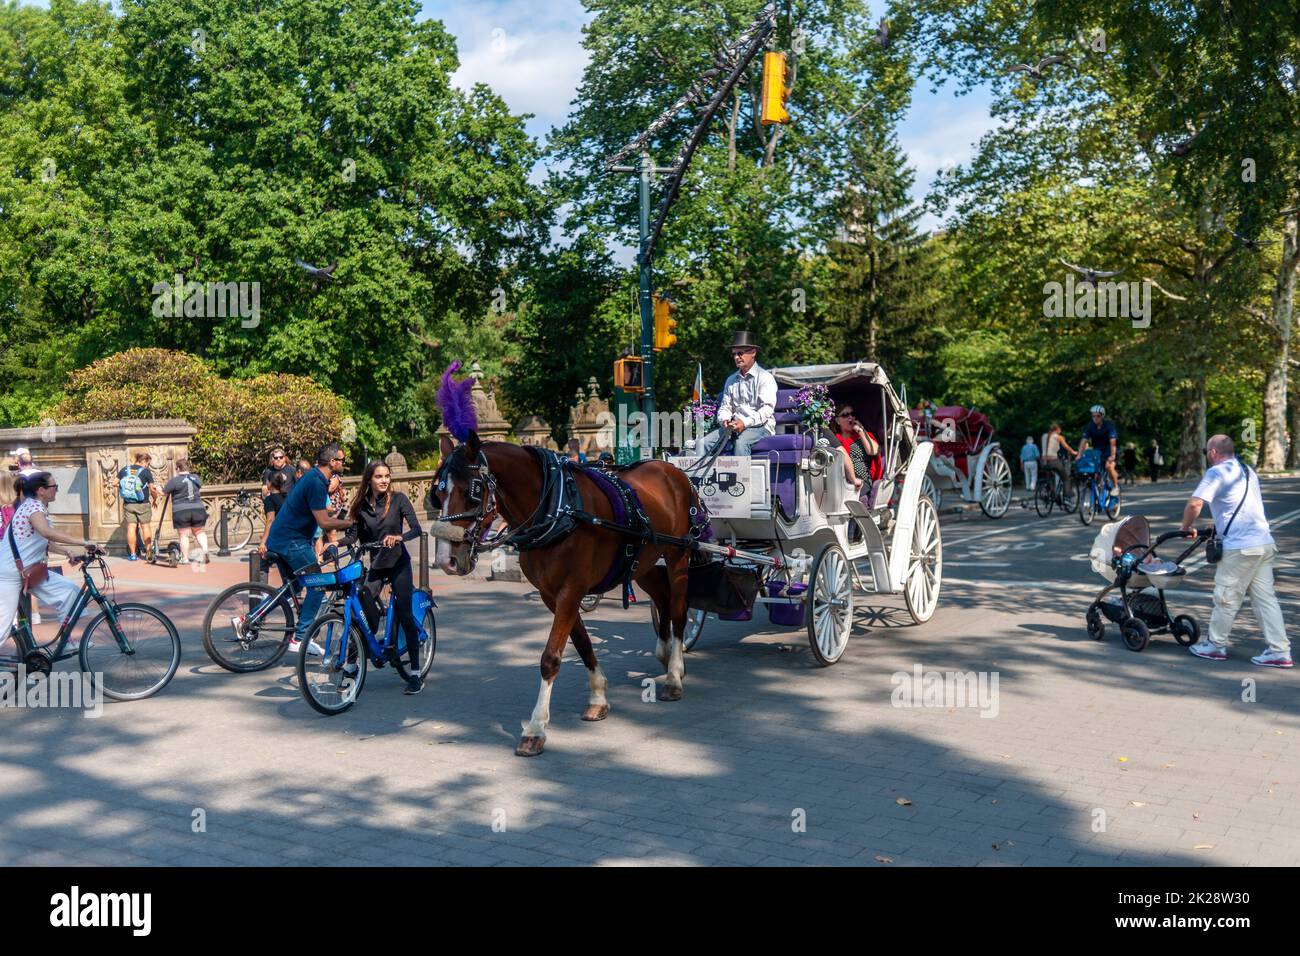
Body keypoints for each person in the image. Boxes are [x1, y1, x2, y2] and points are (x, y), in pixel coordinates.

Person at [1180, 435, 1290, 666]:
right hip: (1263, 543)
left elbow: (1195, 503)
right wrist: (1218, 525)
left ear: (1212, 453)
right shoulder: (1247, 470)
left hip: (1240, 547)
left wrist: (1186, 527)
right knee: (1265, 600)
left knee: (1226, 598)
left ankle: (1215, 645)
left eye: (1205, 452)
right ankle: (1280, 650)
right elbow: (1240, 506)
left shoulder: (1216, 473)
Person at [341, 460, 424, 693]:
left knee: (406, 615)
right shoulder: (361, 506)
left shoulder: (398, 500)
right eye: (379, 476)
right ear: (369, 480)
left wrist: (399, 537)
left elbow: (416, 528)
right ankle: (350, 666)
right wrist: (333, 544)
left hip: (399, 563)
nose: (384, 480)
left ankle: (415, 674)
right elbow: (352, 537)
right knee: (361, 613)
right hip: (377, 565)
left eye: (387, 476)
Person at [264, 443, 353, 656]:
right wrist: (351, 523)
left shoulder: (312, 476)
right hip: (293, 541)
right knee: (318, 585)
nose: (343, 463)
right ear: (332, 462)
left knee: (293, 588)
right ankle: (301, 637)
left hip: (281, 538)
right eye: (341, 460)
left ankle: (250, 618)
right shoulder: (315, 482)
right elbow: (323, 522)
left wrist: (340, 519)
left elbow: (320, 515)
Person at [0, 472, 96, 653]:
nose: (57, 491)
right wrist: (84, 542)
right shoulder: (33, 507)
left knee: (69, 591)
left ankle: (65, 643)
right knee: (2, 629)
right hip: (9, 574)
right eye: (54, 487)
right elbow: (46, 532)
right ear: (41, 490)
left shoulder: (35, 506)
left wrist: (66, 551)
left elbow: (43, 540)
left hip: (29, 572)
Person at [697, 331, 777, 458]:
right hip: (733, 427)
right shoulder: (731, 380)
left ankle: (741, 478)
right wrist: (724, 419)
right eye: (734, 354)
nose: (736, 357)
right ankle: (699, 478)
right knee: (701, 444)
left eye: (740, 353)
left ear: (753, 352)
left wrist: (744, 423)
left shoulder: (765, 378)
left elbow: (767, 410)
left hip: (760, 427)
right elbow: (725, 407)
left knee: (741, 443)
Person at [161, 459, 210, 566]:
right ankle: (205, 551)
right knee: (199, 532)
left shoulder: (174, 480)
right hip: (198, 508)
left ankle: (185, 558)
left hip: (181, 510)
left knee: (184, 535)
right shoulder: (196, 478)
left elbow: (164, 493)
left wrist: (158, 488)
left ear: (178, 468)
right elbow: (198, 487)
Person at [829, 402, 881, 496]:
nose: (851, 417)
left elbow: (874, 451)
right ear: (837, 421)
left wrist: (861, 431)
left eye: (852, 414)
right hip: (838, 480)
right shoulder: (834, 439)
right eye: (845, 415)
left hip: (861, 481)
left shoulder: (864, 435)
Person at [117, 451, 159, 561]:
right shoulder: (145, 472)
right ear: (143, 461)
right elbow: (152, 489)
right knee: (145, 527)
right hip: (142, 503)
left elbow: (114, 483)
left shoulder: (125, 470)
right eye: (147, 463)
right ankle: (149, 553)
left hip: (128, 503)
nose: (147, 466)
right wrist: (155, 499)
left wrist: (126, 489)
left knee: (131, 527)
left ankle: (132, 554)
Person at [1079, 404, 1120, 491]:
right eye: (1093, 416)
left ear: (1102, 416)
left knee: (1109, 466)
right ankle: (1097, 492)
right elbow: (1084, 440)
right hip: (1097, 451)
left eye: (1098, 416)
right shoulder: (1090, 426)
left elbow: (1113, 442)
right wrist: (1079, 455)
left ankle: (1116, 487)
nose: (1095, 418)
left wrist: (1112, 455)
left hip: (1110, 450)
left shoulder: (1109, 425)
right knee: (1094, 472)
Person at [258, 471, 289, 559]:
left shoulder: (270, 499)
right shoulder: (286, 496)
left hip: (277, 535)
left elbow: (270, 520)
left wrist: (263, 542)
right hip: (288, 533)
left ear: (270, 483)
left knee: (263, 560)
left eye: (267, 481)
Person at [1041, 423, 1077, 496]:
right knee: (1066, 477)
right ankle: (1067, 494)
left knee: (1050, 478)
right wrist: (1074, 452)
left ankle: (1051, 493)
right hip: (1054, 461)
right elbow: (1066, 447)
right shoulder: (1058, 437)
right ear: (1057, 429)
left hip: (1044, 462)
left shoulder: (1044, 436)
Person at [261, 448, 297, 513]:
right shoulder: (268, 471)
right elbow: (264, 490)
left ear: (284, 458)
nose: (278, 459)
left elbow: (299, 487)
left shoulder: (292, 470)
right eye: (276, 458)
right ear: (272, 459)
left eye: (281, 457)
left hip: (289, 506)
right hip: (274, 506)